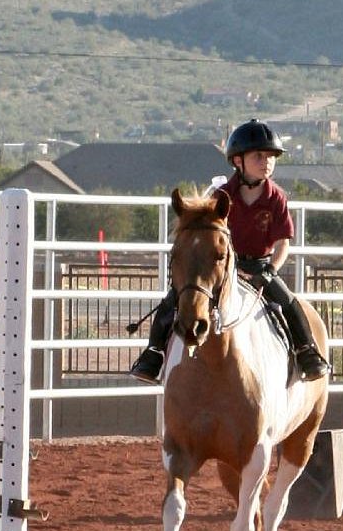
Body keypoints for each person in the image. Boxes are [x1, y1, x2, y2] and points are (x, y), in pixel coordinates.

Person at [130, 119, 331, 383]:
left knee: (288, 302)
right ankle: (153, 353)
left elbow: (284, 243)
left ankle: (307, 352)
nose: (266, 162)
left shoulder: (276, 197)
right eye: (259, 156)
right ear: (238, 161)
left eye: (271, 156)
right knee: (173, 299)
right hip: (224, 267)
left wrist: (271, 270)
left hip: (260, 267)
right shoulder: (222, 194)